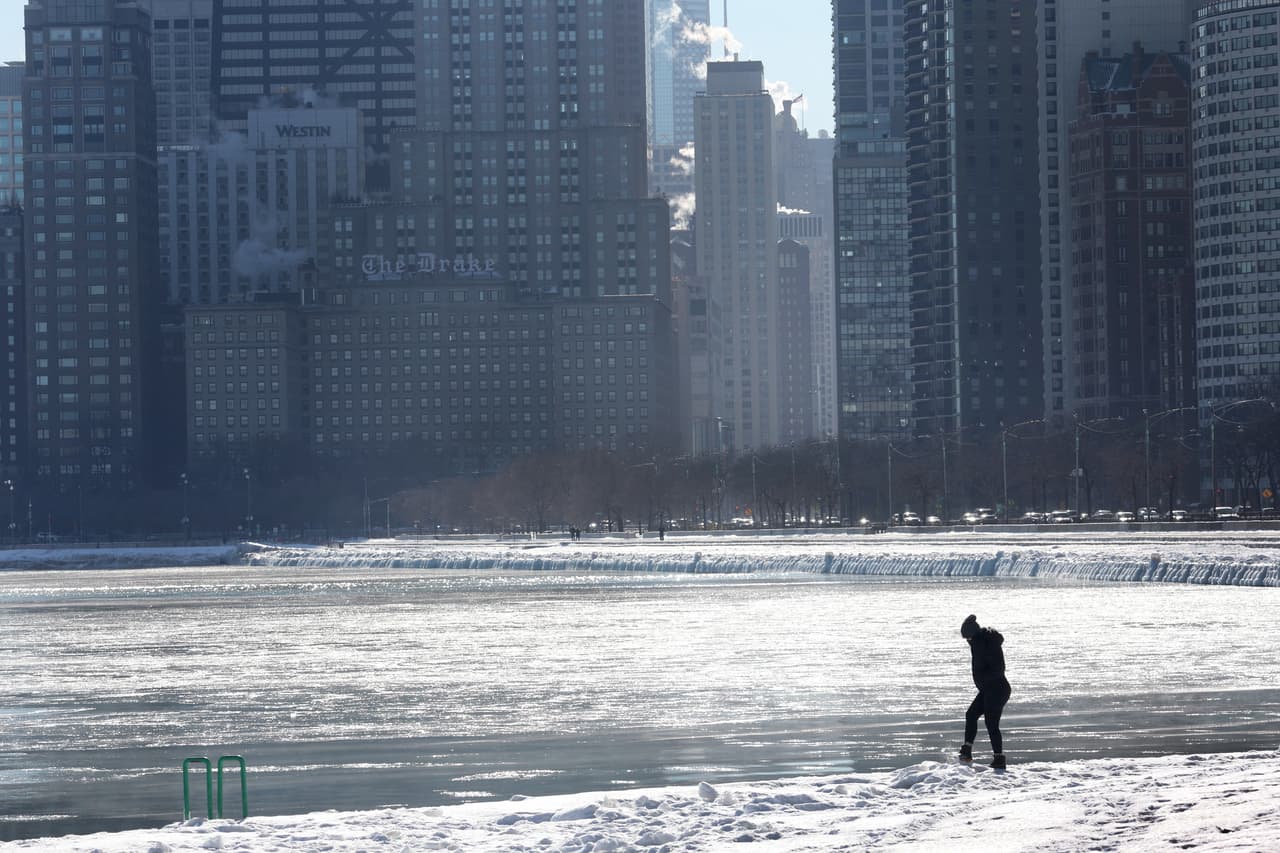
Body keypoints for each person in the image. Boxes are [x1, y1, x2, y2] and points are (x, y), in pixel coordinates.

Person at [958, 613, 1011, 769]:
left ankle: (999, 759)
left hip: (997, 689)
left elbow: (999, 669)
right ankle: (967, 750)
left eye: (967, 638)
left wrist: (983, 678)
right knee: (971, 714)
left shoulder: (987, 644)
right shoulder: (978, 642)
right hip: (989, 689)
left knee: (991, 723)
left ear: (973, 635)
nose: (967, 641)